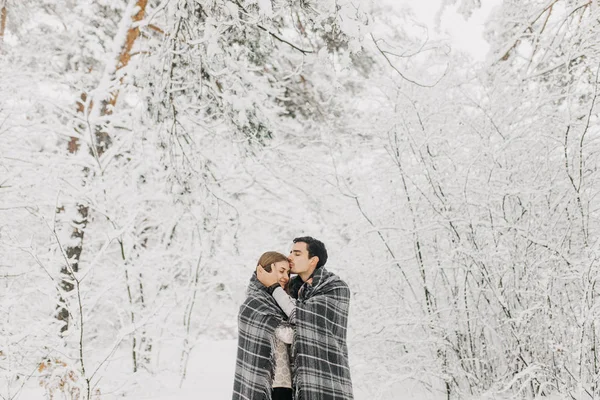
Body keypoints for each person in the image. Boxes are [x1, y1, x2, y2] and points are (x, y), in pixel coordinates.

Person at [257, 236, 354, 400]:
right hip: (293, 383)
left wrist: (272, 287)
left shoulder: (335, 287)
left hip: (326, 377)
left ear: (313, 260)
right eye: (290, 252)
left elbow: (301, 316)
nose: (289, 257)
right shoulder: (290, 289)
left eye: (296, 253)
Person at [232, 251, 294, 400]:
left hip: (289, 384)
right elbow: (289, 335)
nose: (286, 277)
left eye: (288, 272)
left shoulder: (283, 300)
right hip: (270, 385)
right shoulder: (254, 303)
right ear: (264, 270)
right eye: (281, 271)